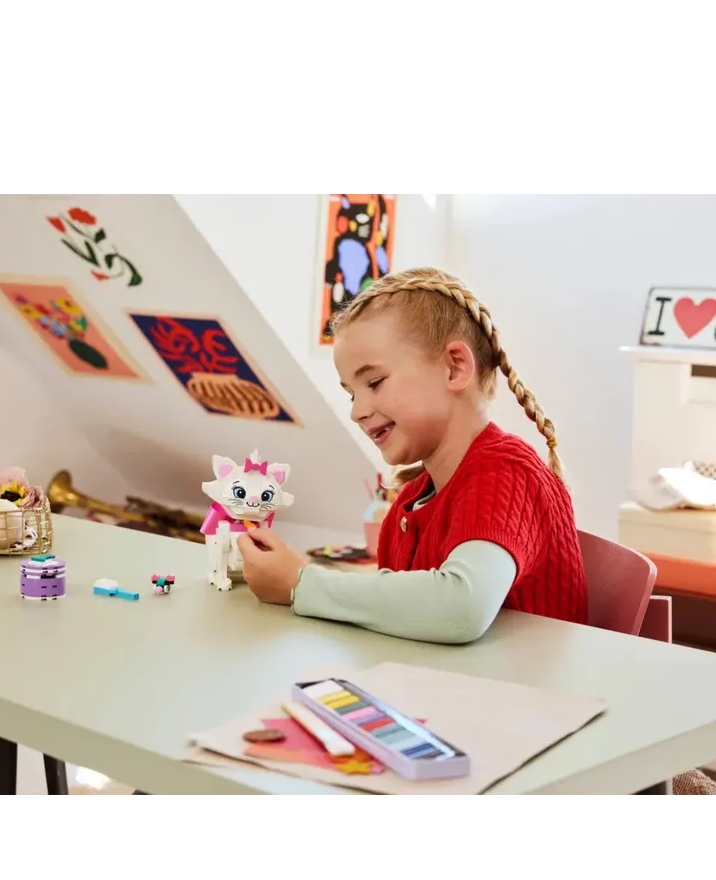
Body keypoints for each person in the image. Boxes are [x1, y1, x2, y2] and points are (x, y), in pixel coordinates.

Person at [238, 267, 588, 642]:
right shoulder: (410, 502)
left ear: (455, 367)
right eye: (352, 393)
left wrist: (301, 583)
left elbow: (460, 609)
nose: (357, 411)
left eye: (374, 382)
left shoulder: (508, 473)